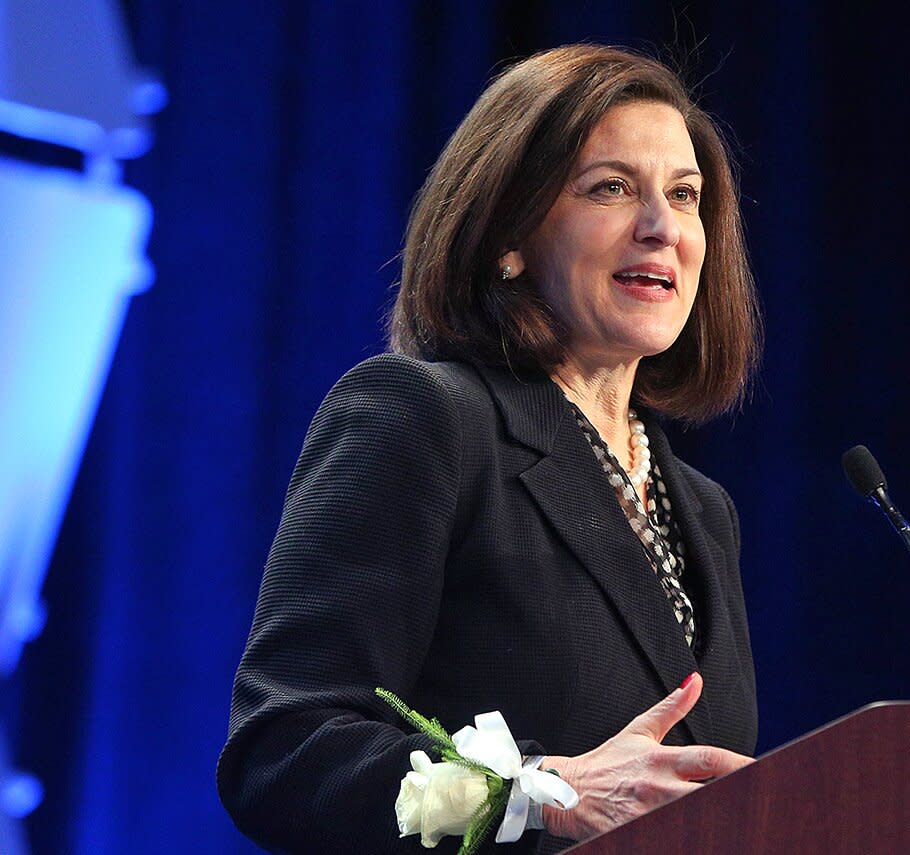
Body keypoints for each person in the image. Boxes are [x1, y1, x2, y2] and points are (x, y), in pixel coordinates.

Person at [217, 43, 762, 854]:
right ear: (508, 235)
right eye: (610, 188)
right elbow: (287, 751)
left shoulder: (704, 512)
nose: (661, 227)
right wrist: (538, 794)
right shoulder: (423, 419)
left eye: (685, 196)